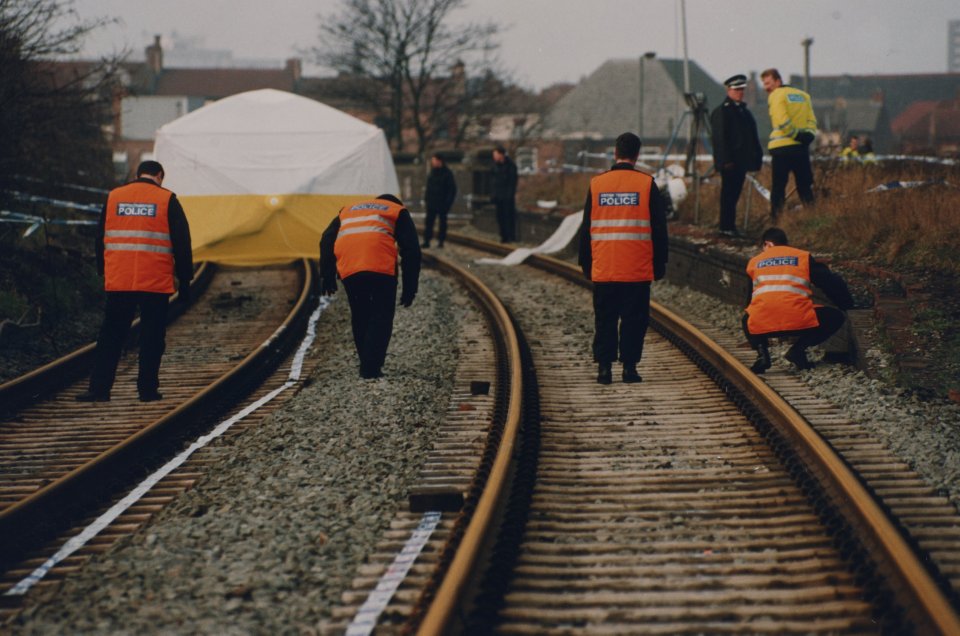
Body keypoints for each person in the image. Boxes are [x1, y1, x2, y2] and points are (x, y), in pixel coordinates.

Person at [76, 160, 193, 402]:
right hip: (155, 282)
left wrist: (104, 272)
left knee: (111, 336)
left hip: (121, 280)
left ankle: (99, 390)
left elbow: (100, 238)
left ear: (138, 174)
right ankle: (147, 391)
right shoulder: (167, 199)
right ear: (159, 175)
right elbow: (182, 244)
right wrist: (185, 281)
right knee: (151, 338)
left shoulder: (114, 197)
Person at [578, 132, 668, 385]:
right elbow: (659, 229)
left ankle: (604, 369)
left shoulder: (597, 184)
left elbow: (586, 227)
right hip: (636, 268)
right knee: (634, 319)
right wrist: (660, 263)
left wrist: (586, 262)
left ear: (615, 154)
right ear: (637, 155)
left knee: (604, 318)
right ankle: (629, 368)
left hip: (605, 266)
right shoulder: (646, 184)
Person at [319, 194, 421, 379]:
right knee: (381, 315)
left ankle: (366, 363)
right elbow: (412, 250)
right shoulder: (397, 210)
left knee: (360, 313)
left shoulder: (348, 210)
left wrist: (327, 275)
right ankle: (370, 368)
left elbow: (326, 239)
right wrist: (410, 287)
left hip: (350, 268)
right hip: (380, 267)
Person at [743, 227, 854, 373]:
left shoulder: (754, 262)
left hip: (764, 323)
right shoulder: (801, 257)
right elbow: (829, 282)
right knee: (835, 317)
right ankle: (798, 350)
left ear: (767, 244)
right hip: (799, 321)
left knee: (747, 318)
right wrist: (846, 304)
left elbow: (749, 301)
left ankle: (762, 355)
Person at [710, 73, 764, 237]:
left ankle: (730, 225)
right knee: (728, 194)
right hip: (730, 162)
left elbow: (752, 137)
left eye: (742, 89)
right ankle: (726, 226)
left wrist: (757, 158)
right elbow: (720, 138)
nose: (740, 92)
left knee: (734, 194)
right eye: (737, 89)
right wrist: (725, 160)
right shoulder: (722, 112)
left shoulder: (744, 112)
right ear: (729, 90)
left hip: (742, 162)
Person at [760, 68, 818, 220]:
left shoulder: (776, 95)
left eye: (768, 83)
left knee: (779, 187)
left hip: (782, 149)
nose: (766, 87)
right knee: (804, 185)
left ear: (778, 81)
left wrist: (794, 134)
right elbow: (812, 120)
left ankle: (776, 219)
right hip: (801, 148)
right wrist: (808, 136)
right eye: (764, 84)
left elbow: (781, 119)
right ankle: (812, 218)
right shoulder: (804, 96)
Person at [422, 153, 457, 248]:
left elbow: (451, 189)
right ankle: (427, 240)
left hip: (442, 203)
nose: (433, 163)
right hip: (432, 203)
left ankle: (441, 241)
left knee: (442, 223)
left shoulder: (447, 173)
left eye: (434, 161)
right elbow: (428, 188)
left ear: (439, 161)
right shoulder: (432, 173)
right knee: (429, 223)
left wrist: (448, 203)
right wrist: (426, 200)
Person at [491, 145, 518, 243]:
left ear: (501, 155)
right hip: (498, 196)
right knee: (500, 216)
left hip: (507, 197)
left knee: (508, 216)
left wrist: (509, 195)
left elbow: (512, 182)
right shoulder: (495, 166)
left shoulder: (510, 166)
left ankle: (511, 236)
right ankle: (503, 236)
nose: (494, 157)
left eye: (496, 154)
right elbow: (494, 182)